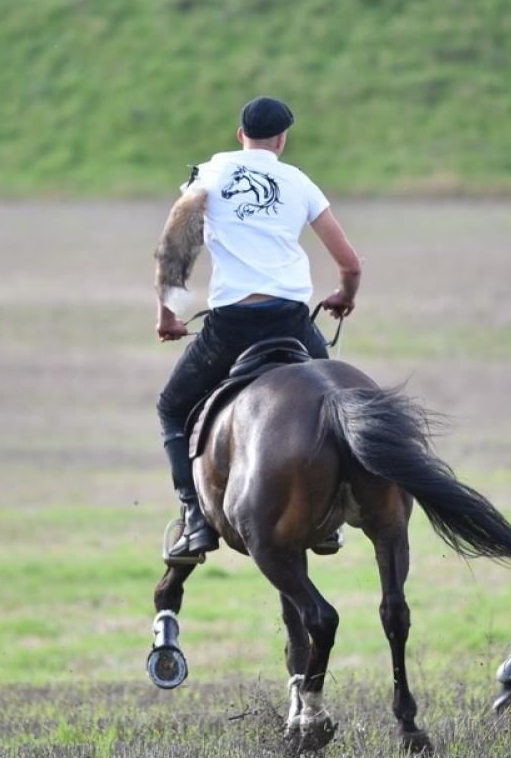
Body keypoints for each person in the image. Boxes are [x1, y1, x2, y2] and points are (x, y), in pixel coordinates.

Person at [154, 96, 362, 563]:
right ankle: (335, 513)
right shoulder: (300, 183)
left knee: (172, 407)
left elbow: (175, 247)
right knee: (337, 407)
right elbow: (349, 263)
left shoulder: (207, 173)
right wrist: (343, 295)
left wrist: (169, 313)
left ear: (238, 135)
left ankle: (194, 519)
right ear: (282, 140)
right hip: (291, 320)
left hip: (231, 328)